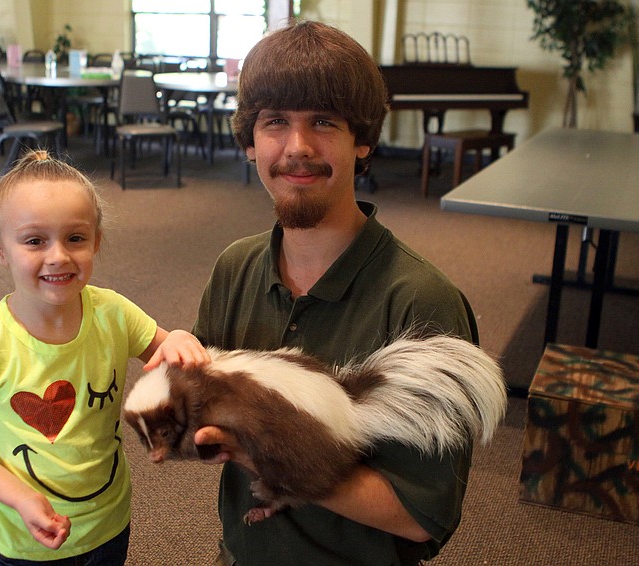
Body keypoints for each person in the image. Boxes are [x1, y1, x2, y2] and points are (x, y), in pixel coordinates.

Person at [192, 20, 480, 566]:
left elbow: (422, 517)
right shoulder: (234, 269)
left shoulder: (423, 305)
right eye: (275, 122)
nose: (297, 147)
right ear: (250, 144)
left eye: (323, 121)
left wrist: (273, 455)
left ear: (363, 139)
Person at [0, 150, 209, 564]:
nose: (59, 255)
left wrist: (180, 339)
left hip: (109, 523)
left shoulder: (114, 313)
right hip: (23, 539)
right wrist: (21, 498)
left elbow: (167, 349)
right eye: (34, 240)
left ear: (96, 240)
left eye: (75, 238)